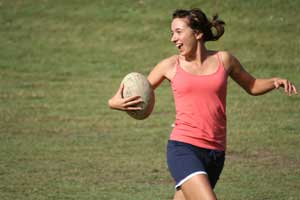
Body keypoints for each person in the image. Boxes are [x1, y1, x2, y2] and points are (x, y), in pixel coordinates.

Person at [108, 8, 298, 200]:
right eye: (172, 33)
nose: (173, 38)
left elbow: (252, 85)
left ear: (197, 33)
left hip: (216, 152)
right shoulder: (170, 65)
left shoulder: (224, 60)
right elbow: (141, 93)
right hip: (184, 148)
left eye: (179, 32)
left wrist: (274, 82)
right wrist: (114, 102)